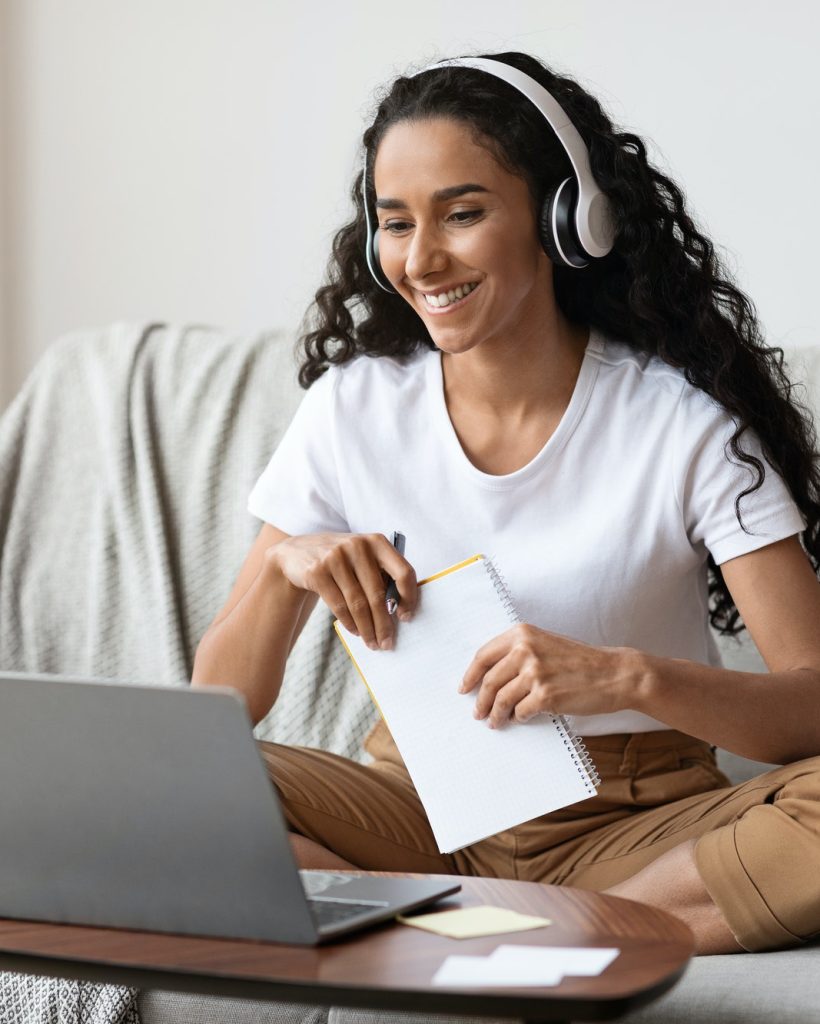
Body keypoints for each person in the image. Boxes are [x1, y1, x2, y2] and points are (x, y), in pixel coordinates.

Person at [192, 52, 820, 956]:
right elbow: (219, 706)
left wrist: (627, 677)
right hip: (417, 808)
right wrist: (287, 569)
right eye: (396, 222)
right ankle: (503, 930)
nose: (422, 257)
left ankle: (494, 932)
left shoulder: (681, 426)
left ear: (565, 221)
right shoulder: (353, 406)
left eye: (464, 213)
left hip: (630, 824)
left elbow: (811, 703)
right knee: (159, 788)